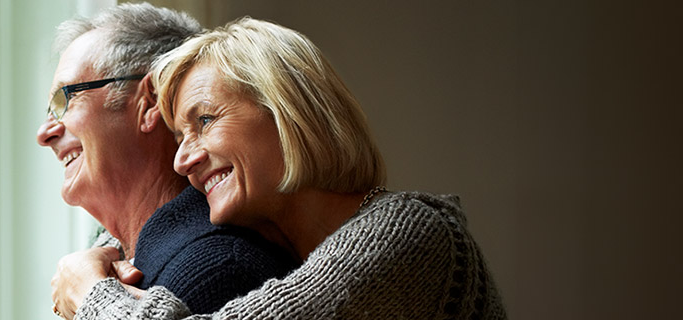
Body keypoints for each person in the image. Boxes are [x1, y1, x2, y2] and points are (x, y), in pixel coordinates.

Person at [51, 18, 507, 319]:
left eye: (204, 120)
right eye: (180, 135)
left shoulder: (409, 232)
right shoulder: (297, 251)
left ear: (287, 112)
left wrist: (92, 292)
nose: (182, 159)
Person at [37, 4, 301, 319]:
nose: (44, 133)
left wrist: (91, 297)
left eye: (65, 98)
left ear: (148, 102)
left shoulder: (215, 268)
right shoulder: (108, 261)